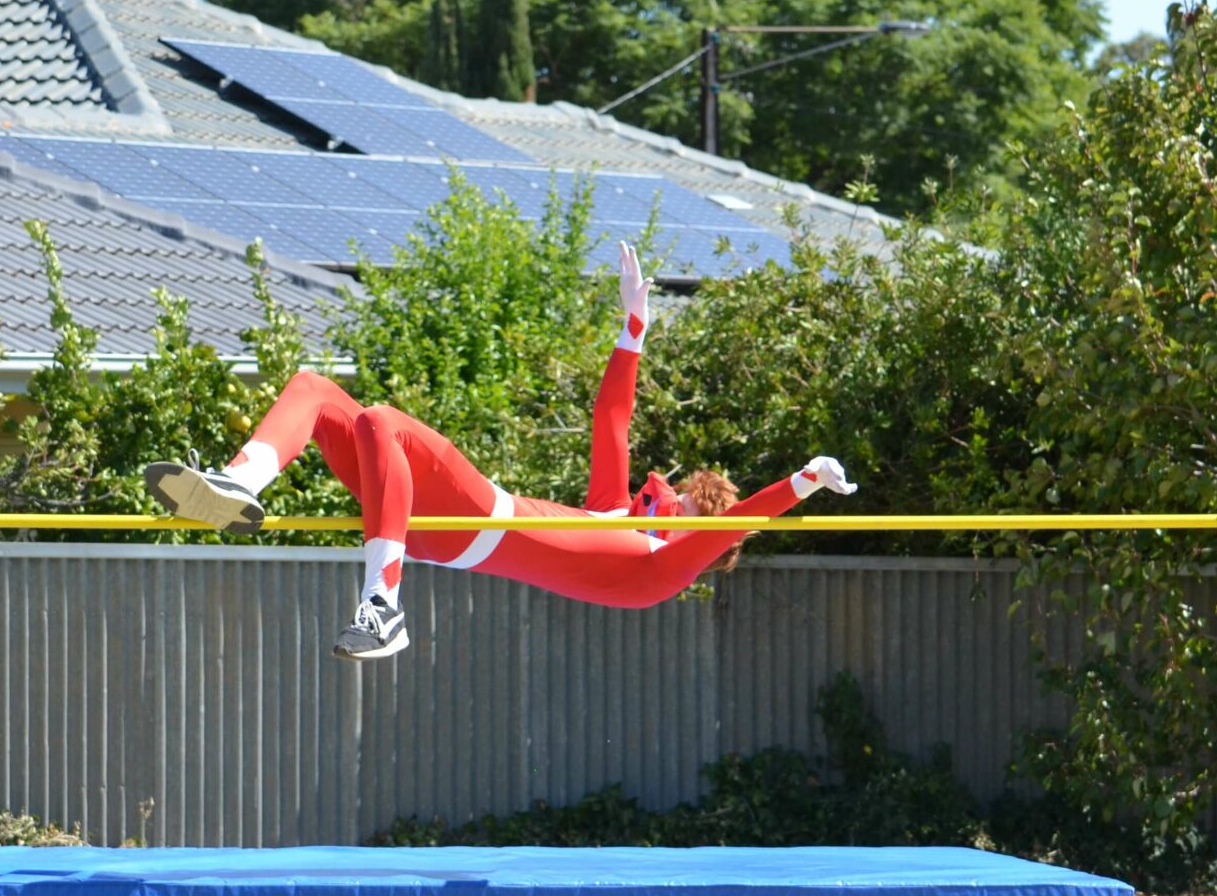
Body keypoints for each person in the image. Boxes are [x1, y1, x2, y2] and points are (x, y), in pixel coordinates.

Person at [145, 243, 856, 659]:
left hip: (474, 517)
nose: (651, 486)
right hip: (420, 524)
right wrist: (633, 331)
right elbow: (610, 417)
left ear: (687, 527)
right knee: (322, 395)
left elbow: (735, 523)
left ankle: (382, 607)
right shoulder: (612, 512)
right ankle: (241, 481)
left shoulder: (659, 570)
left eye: (664, 498)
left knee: (384, 419)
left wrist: (804, 481)